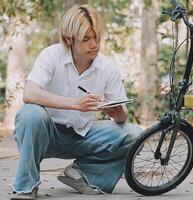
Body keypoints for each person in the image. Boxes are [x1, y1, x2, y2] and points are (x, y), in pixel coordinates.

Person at [10, 4, 142, 200]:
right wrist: (75, 103)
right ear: (69, 39)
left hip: (82, 135)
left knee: (134, 133)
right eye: (86, 39)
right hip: (46, 135)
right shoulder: (51, 55)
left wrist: (118, 114)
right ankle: (26, 187)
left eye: (97, 37)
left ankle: (83, 175)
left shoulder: (108, 68)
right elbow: (29, 93)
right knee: (31, 113)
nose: (94, 44)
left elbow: (122, 118)